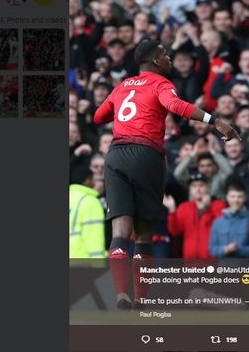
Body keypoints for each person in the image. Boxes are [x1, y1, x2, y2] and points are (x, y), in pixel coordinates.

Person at [92, 40, 240, 309]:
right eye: (165, 55)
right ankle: (141, 301)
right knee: (144, 234)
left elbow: (98, 117)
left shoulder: (123, 86)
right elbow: (175, 106)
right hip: (146, 154)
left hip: (115, 156)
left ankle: (121, 296)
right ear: (156, 61)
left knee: (120, 232)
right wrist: (214, 120)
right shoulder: (161, 83)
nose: (170, 58)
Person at [209, 182, 249, 258]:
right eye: (232, 196)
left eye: (239, 197)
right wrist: (225, 249)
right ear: (227, 198)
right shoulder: (218, 222)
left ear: (245, 198)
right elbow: (212, 249)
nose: (236, 200)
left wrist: (239, 250)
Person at [69, 167, 107, 259]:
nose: (94, 183)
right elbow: (94, 238)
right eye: (92, 179)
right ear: (87, 180)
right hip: (84, 260)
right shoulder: (90, 202)